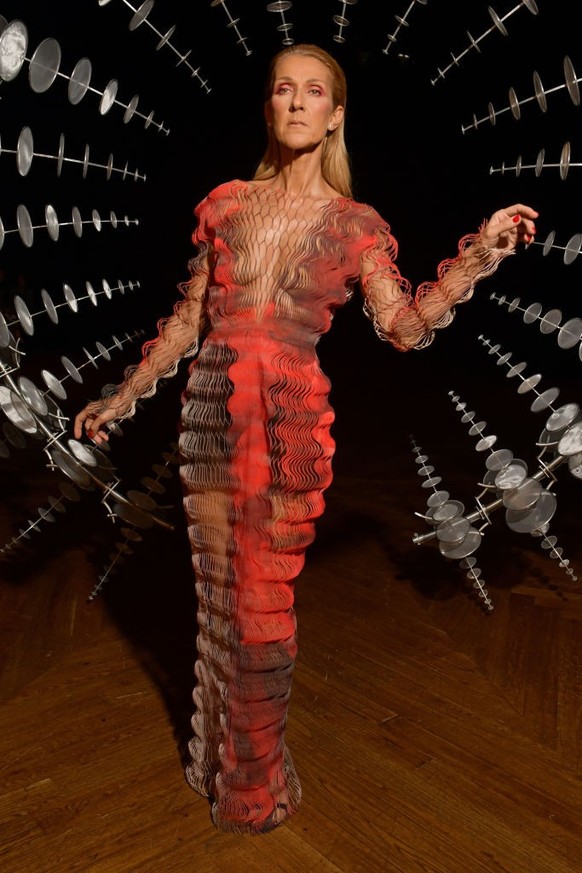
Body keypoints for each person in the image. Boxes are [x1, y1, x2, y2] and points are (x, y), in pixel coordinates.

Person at [74, 43, 538, 834]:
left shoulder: (354, 224)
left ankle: (253, 783)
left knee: (260, 601)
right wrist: (120, 397)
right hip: (208, 416)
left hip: (283, 416)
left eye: (313, 91)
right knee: (218, 596)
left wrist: (481, 255)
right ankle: (221, 761)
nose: (296, 102)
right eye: (282, 89)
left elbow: (402, 325)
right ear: (268, 108)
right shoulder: (223, 204)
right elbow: (189, 322)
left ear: (335, 114)